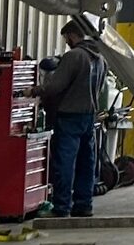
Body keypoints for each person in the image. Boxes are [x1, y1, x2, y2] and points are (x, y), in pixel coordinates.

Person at [34, 21, 107, 219]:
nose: (66, 43)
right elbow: (100, 88)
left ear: (72, 36)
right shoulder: (100, 59)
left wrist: (34, 91)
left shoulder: (74, 56)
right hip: (89, 116)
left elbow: (55, 86)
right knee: (86, 162)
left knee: (64, 163)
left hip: (69, 116)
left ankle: (61, 207)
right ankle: (84, 205)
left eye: (66, 38)